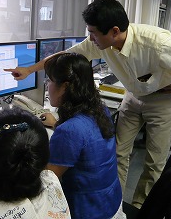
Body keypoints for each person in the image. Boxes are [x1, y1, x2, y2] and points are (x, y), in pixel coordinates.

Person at [4, 0, 171, 209]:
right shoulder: (101, 43)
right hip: (133, 96)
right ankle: (114, 202)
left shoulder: (155, 43)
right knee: (118, 153)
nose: (90, 38)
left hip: (162, 100)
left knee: (155, 162)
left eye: (93, 33)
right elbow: (65, 56)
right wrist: (29, 70)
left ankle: (141, 208)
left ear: (114, 31)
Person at [40, 52, 125, 218]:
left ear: (64, 86)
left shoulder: (69, 131)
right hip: (111, 204)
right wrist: (56, 124)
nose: (47, 85)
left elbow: (46, 182)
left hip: (89, 212)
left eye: (49, 80)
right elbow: (85, 137)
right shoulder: (100, 109)